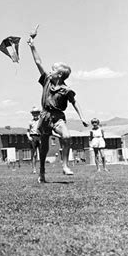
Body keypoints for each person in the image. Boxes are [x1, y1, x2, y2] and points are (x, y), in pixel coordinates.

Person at [27, 33, 88, 183]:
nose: (50, 70)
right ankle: (42, 172)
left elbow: (75, 102)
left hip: (58, 117)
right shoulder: (46, 80)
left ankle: (65, 165)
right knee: (44, 146)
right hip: (45, 116)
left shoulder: (66, 90)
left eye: (53, 69)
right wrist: (32, 45)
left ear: (59, 74)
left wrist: (82, 117)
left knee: (67, 137)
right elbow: (38, 62)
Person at [27, 106, 42, 174]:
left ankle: (42, 168)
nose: (35, 114)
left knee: (42, 153)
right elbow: (28, 131)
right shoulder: (30, 122)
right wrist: (29, 137)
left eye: (36, 113)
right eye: (33, 113)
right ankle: (34, 169)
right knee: (34, 154)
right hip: (33, 137)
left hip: (40, 136)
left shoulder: (41, 121)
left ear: (38, 113)